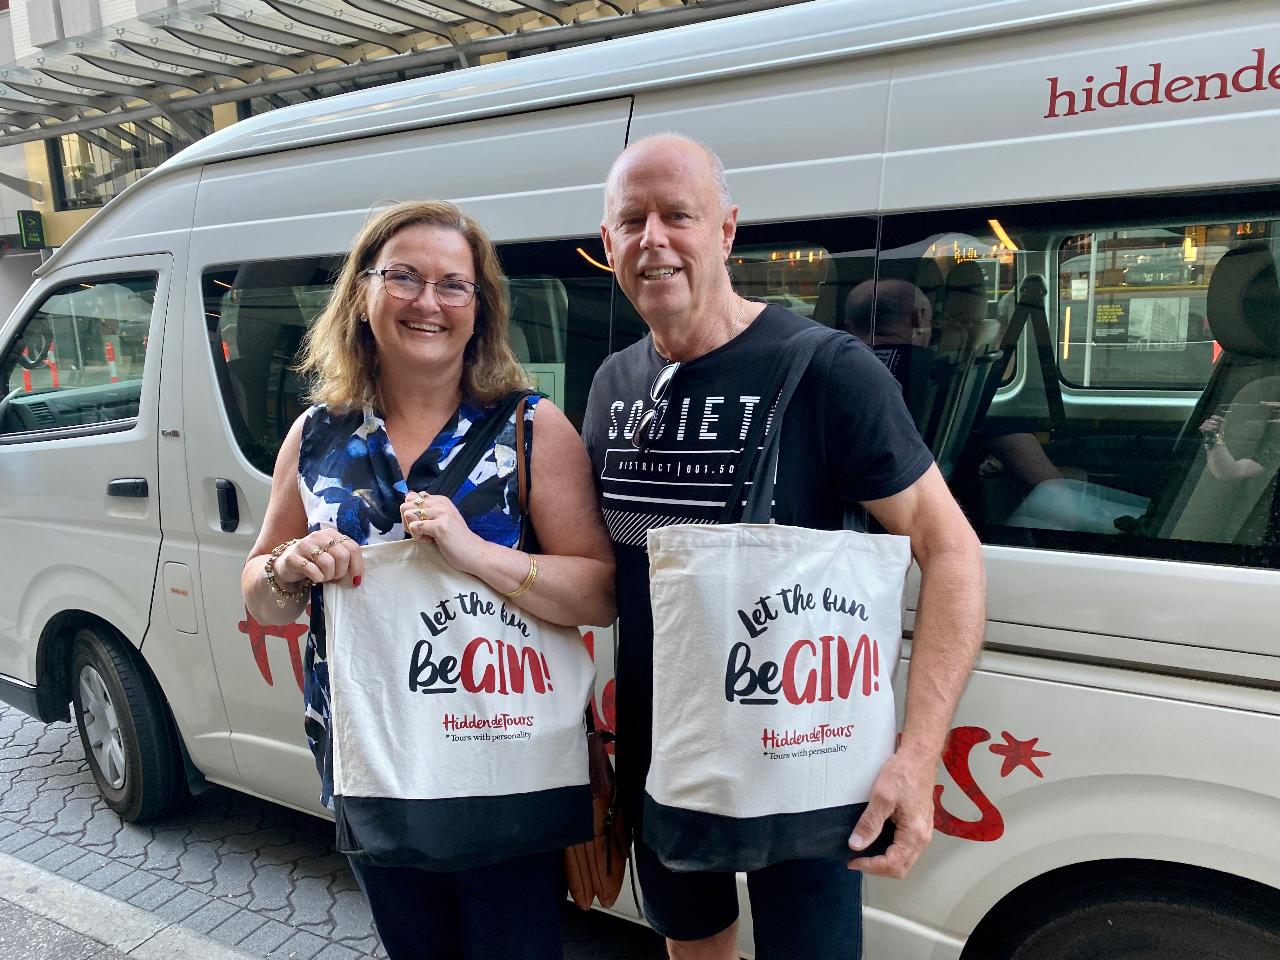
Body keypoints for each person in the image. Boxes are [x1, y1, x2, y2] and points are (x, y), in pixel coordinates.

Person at [582, 135, 986, 959]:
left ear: (727, 231)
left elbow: (951, 550)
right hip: (668, 759)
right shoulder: (613, 382)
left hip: (806, 753)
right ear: (609, 242)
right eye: (632, 221)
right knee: (693, 944)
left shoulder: (829, 369)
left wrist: (917, 755)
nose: (653, 238)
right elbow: (605, 577)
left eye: (677, 216)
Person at [240, 200, 615, 960]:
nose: (428, 302)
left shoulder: (531, 428)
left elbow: (600, 594)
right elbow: (256, 586)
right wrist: (288, 569)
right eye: (403, 277)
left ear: (480, 311)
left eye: (453, 285)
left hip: (501, 755)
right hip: (373, 759)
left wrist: (474, 552)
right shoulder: (315, 434)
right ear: (363, 294)